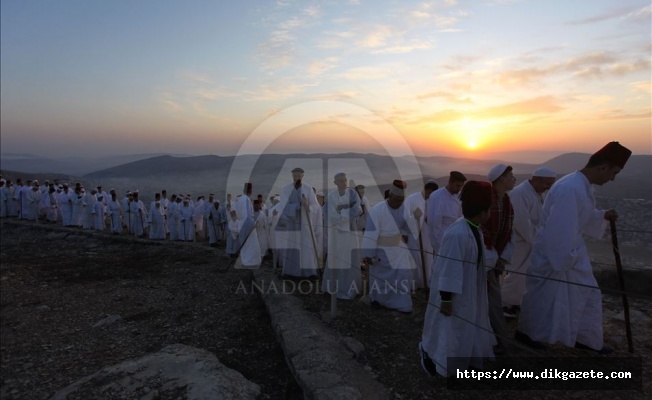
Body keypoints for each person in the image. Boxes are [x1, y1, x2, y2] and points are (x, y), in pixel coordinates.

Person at [517, 142, 631, 354]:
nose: (612, 178)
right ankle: (528, 333)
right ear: (603, 167)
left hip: (570, 252)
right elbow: (560, 228)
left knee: (586, 294)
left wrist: (601, 215)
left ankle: (585, 338)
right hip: (558, 254)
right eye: (613, 173)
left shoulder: (580, 185)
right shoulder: (571, 188)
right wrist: (564, 260)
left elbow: (579, 217)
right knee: (545, 297)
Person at [419, 181, 496, 377]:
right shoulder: (457, 233)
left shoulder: (473, 228)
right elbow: (448, 269)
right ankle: (432, 356)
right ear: (483, 212)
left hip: (468, 292)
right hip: (453, 295)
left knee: (464, 328)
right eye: (489, 210)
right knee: (448, 329)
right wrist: (446, 299)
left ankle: (462, 361)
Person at [501, 167, 557, 316]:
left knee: (524, 274)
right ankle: (504, 305)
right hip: (519, 241)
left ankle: (515, 303)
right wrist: (539, 241)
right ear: (537, 179)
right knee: (516, 273)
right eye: (547, 184)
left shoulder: (536, 193)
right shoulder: (520, 193)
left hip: (530, 241)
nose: (549, 187)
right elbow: (521, 222)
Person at [361, 180, 415, 313]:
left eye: (401, 200)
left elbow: (406, 227)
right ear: (390, 196)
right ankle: (377, 300)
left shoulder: (404, 209)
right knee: (379, 279)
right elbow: (370, 233)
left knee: (402, 276)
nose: (399, 203)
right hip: (381, 251)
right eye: (397, 200)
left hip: (398, 249)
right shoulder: (377, 210)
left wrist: (415, 219)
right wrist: (368, 254)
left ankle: (402, 304)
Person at [482, 164, 516, 354]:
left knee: (492, 298)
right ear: (501, 179)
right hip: (484, 259)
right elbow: (483, 232)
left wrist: (502, 258)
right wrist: (493, 259)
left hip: (494, 257)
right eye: (511, 176)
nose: (514, 179)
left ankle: (495, 336)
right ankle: (500, 339)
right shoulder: (489, 201)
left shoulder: (506, 201)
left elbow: (507, 232)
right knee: (492, 299)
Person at [322, 172, 363, 299]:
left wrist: (342, 213)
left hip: (350, 232)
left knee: (350, 258)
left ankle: (350, 288)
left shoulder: (352, 194)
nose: (344, 183)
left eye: (345, 180)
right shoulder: (331, 196)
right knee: (337, 257)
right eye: (340, 181)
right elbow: (328, 213)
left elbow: (358, 209)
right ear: (335, 182)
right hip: (336, 234)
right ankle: (334, 287)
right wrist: (344, 215)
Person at [277, 168, 321, 279]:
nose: (297, 178)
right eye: (294, 176)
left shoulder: (308, 188)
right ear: (292, 176)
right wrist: (297, 206)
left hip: (305, 223)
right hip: (292, 223)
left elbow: (315, 205)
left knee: (307, 246)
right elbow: (283, 205)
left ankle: (309, 272)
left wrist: (307, 207)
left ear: (302, 176)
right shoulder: (286, 189)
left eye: (298, 176)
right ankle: (291, 272)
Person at [404, 180, 439, 289]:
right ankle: (415, 284)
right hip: (414, 235)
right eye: (430, 193)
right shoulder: (411, 198)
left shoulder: (432, 201)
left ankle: (427, 283)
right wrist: (414, 217)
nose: (430, 196)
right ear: (427, 190)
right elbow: (404, 217)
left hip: (427, 234)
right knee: (415, 258)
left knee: (428, 258)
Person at [427, 171, 466, 258]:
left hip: (457, 241)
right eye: (457, 186)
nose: (459, 189)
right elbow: (434, 226)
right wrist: (441, 247)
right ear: (450, 182)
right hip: (442, 243)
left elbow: (461, 218)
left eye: (461, 186)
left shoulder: (460, 196)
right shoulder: (436, 197)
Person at [235, 183, 262, 268]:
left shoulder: (240, 199)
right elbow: (247, 216)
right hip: (247, 226)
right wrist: (253, 224)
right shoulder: (246, 199)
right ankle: (249, 262)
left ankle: (245, 260)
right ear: (250, 191)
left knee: (245, 245)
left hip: (241, 225)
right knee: (251, 244)